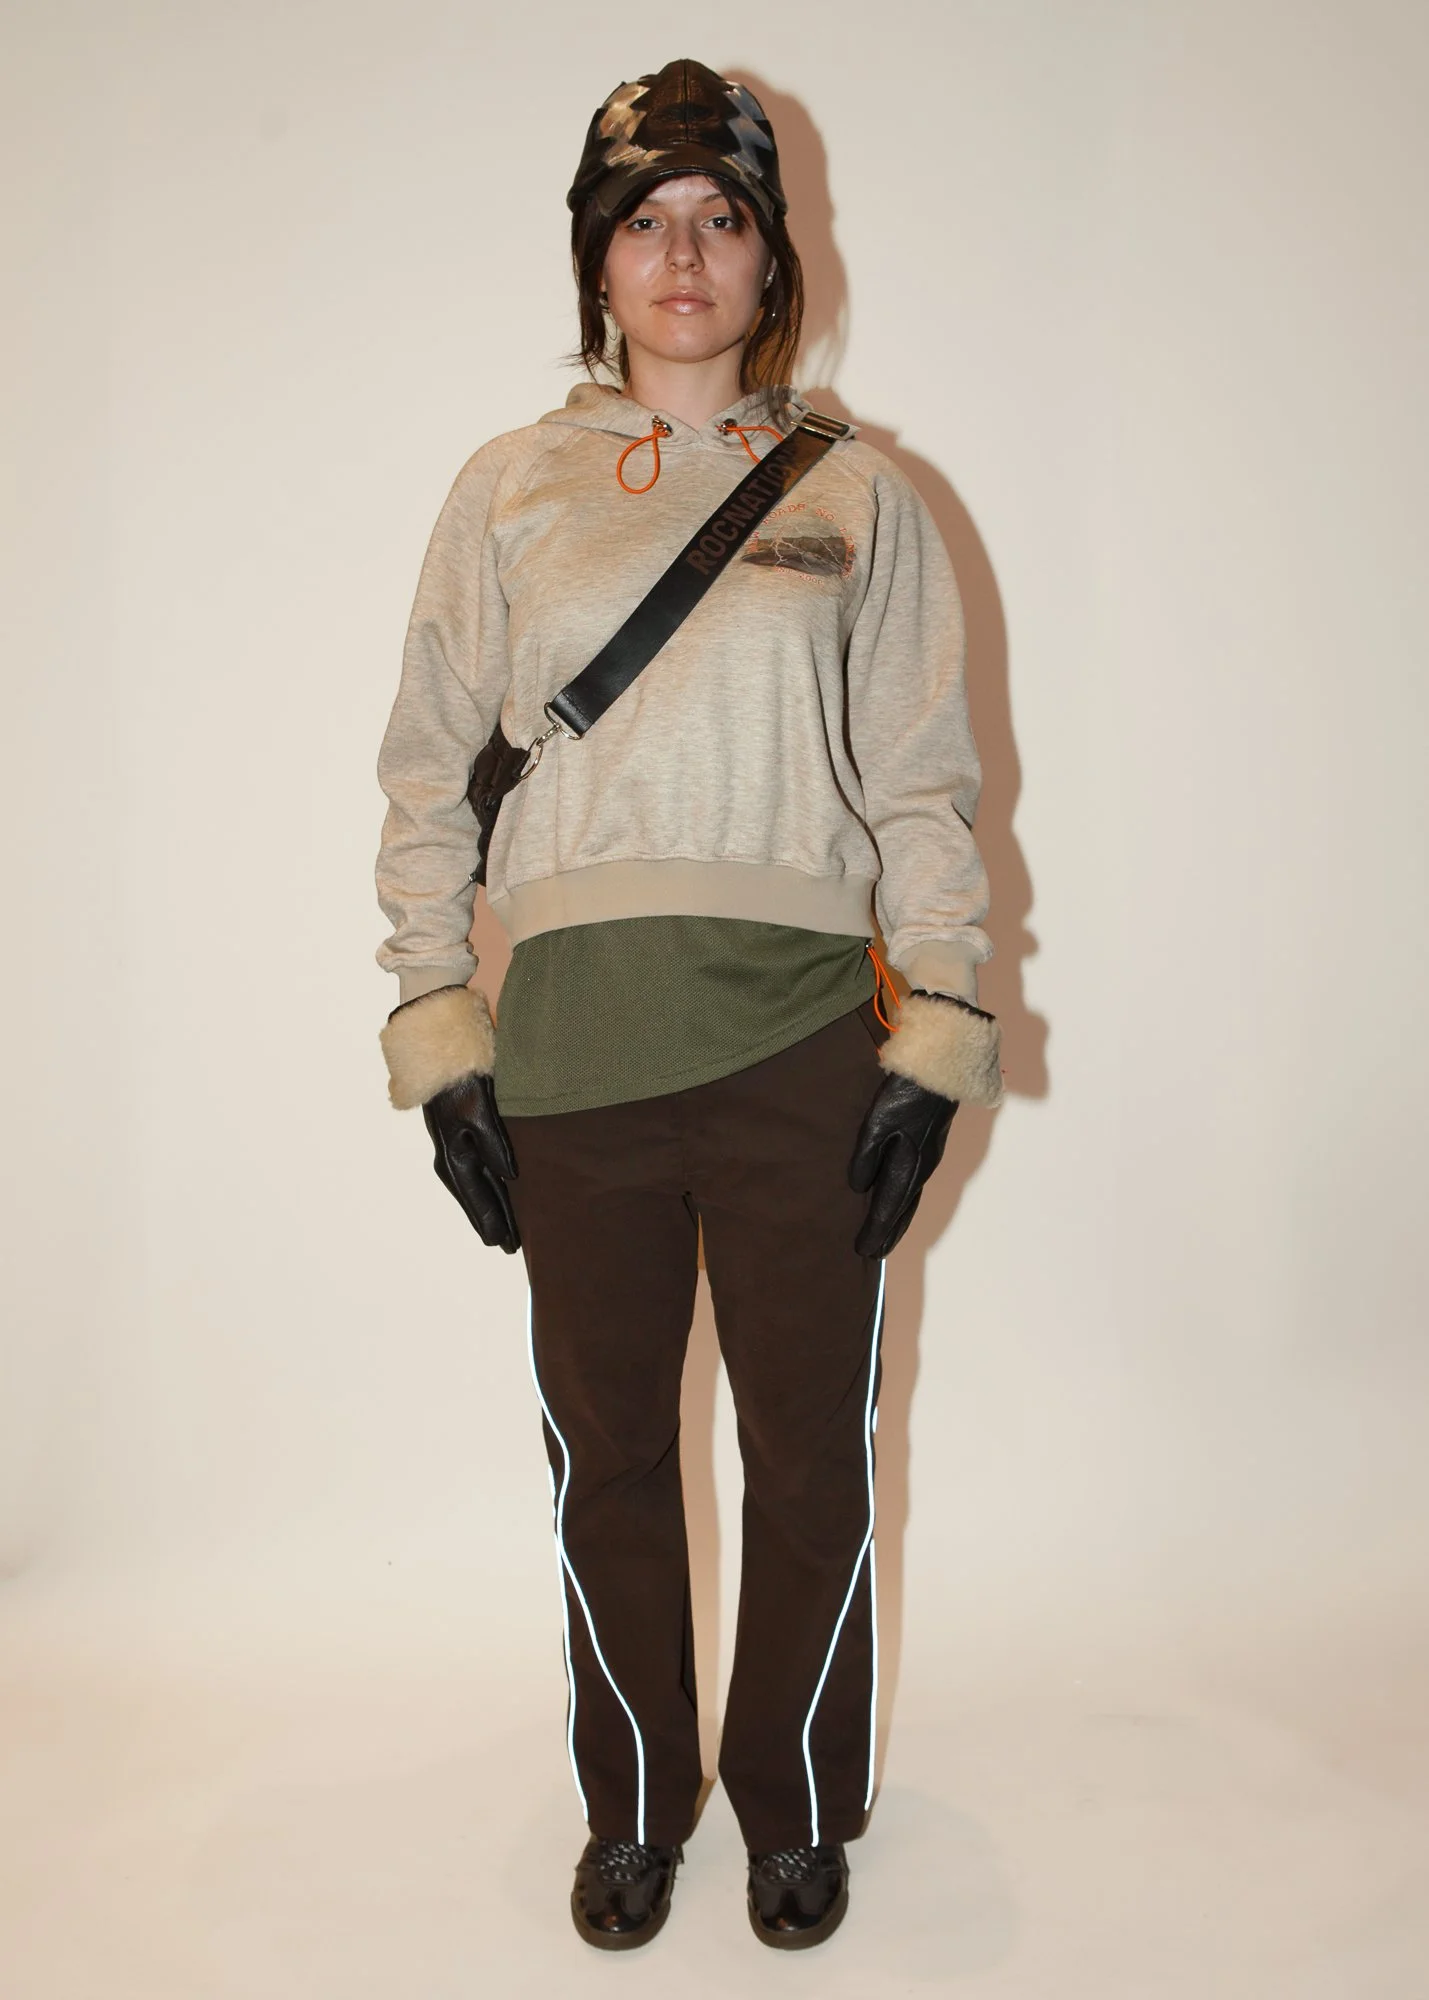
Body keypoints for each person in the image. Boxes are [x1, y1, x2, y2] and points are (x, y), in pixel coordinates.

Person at [373, 57, 1004, 1954]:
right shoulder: (508, 490)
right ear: (596, 258)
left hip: (804, 1036)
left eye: (720, 219)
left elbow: (923, 785)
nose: (680, 256)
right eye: (641, 221)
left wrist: (938, 1027)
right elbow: (428, 777)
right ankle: (635, 1804)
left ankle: (796, 1802)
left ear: (769, 259)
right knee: (610, 1459)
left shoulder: (860, 495)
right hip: (573, 1046)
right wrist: (437, 1026)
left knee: (811, 1453)